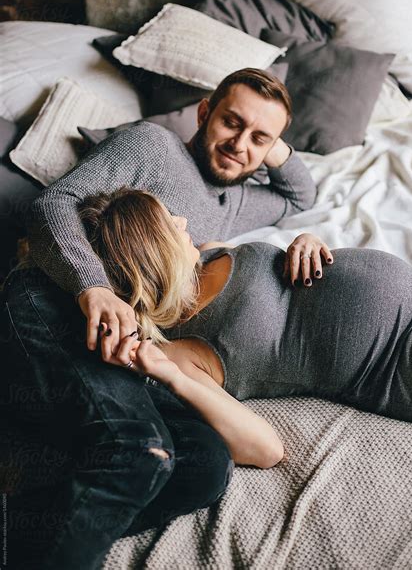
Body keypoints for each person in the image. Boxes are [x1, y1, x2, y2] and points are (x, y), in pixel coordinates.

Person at [1, 68, 318, 569]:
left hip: (129, 345)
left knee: (205, 467)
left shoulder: (234, 202)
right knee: (137, 447)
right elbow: (52, 204)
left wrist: (264, 140)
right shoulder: (152, 146)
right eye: (231, 123)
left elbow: (301, 195)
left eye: (259, 138)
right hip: (53, 300)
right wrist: (94, 287)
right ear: (204, 112)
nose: (239, 145)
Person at [77, 187, 412, 463]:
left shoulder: (208, 255)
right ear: (151, 249)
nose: (181, 220)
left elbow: (280, 271)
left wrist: (305, 241)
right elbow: (265, 449)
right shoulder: (176, 354)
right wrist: (173, 379)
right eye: (168, 222)